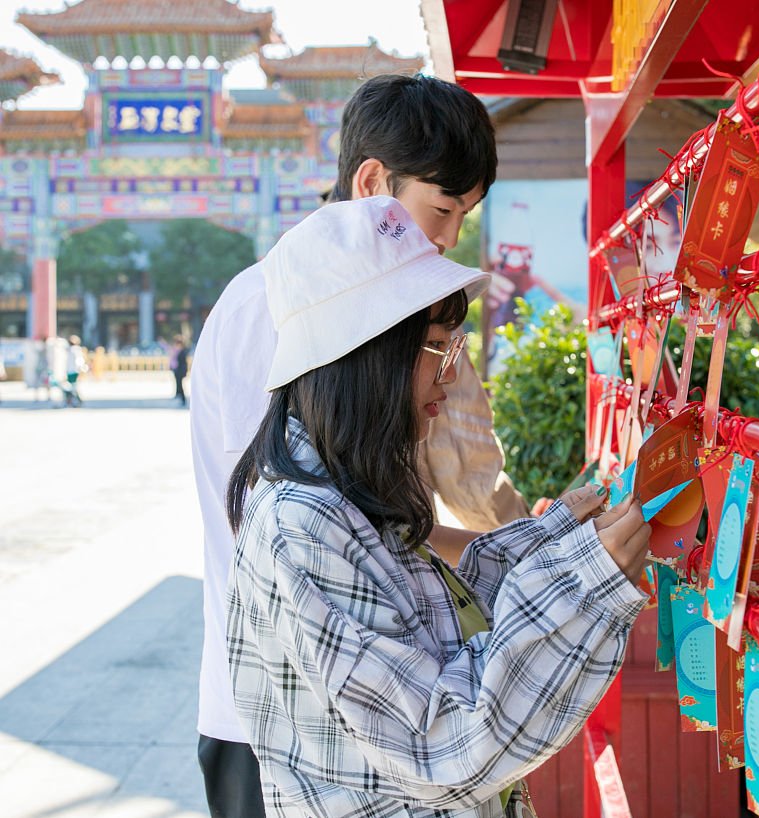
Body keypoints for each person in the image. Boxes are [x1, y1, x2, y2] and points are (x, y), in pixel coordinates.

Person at [225, 197, 650, 817]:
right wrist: (581, 584)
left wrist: (556, 541)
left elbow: (436, 628)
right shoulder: (305, 523)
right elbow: (444, 744)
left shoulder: (345, 485)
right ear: (363, 353)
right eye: (435, 349)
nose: (449, 379)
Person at [190, 74, 524, 818]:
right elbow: (309, 530)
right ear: (373, 181)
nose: (447, 240)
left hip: (350, 711)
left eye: (464, 217)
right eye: (442, 210)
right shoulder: (276, 309)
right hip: (281, 726)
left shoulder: (365, 311)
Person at [63, 335, 88, 407]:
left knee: (71, 387)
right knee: (72, 387)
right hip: (73, 371)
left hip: (72, 371)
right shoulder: (75, 350)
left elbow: (78, 361)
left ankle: (74, 401)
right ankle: (73, 401)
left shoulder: (73, 350)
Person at [169, 336, 189, 406]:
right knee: (178, 384)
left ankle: (183, 399)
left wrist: (184, 372)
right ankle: (179, 395)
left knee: (180, 385)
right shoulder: (177, 351)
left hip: (180, 371)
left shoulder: (182, 352)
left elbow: (184, 363)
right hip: (177, 371)